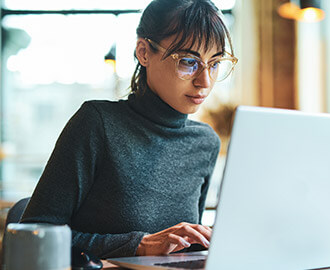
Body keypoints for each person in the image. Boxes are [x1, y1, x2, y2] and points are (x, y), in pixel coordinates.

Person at [20, 0, 237, 259]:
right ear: (144, 52)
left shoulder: (205, 143)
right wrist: (138, 245)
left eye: (214, 63)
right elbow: (33, 235)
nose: (205, 81)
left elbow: (182, 248)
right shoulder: (97, 123)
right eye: (189, 62)